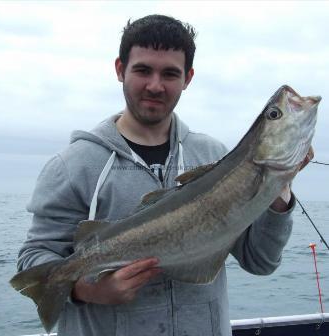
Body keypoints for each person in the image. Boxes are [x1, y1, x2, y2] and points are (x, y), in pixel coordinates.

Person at [17, 14, 312, 336]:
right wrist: (86, 290)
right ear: (120, 69)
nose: (155, 86)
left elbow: (261, 263)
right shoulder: (72, 165)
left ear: (188, 78)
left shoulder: (215, 156)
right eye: (143, 70)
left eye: (170, 73)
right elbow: (34, 257)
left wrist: (279, 190)